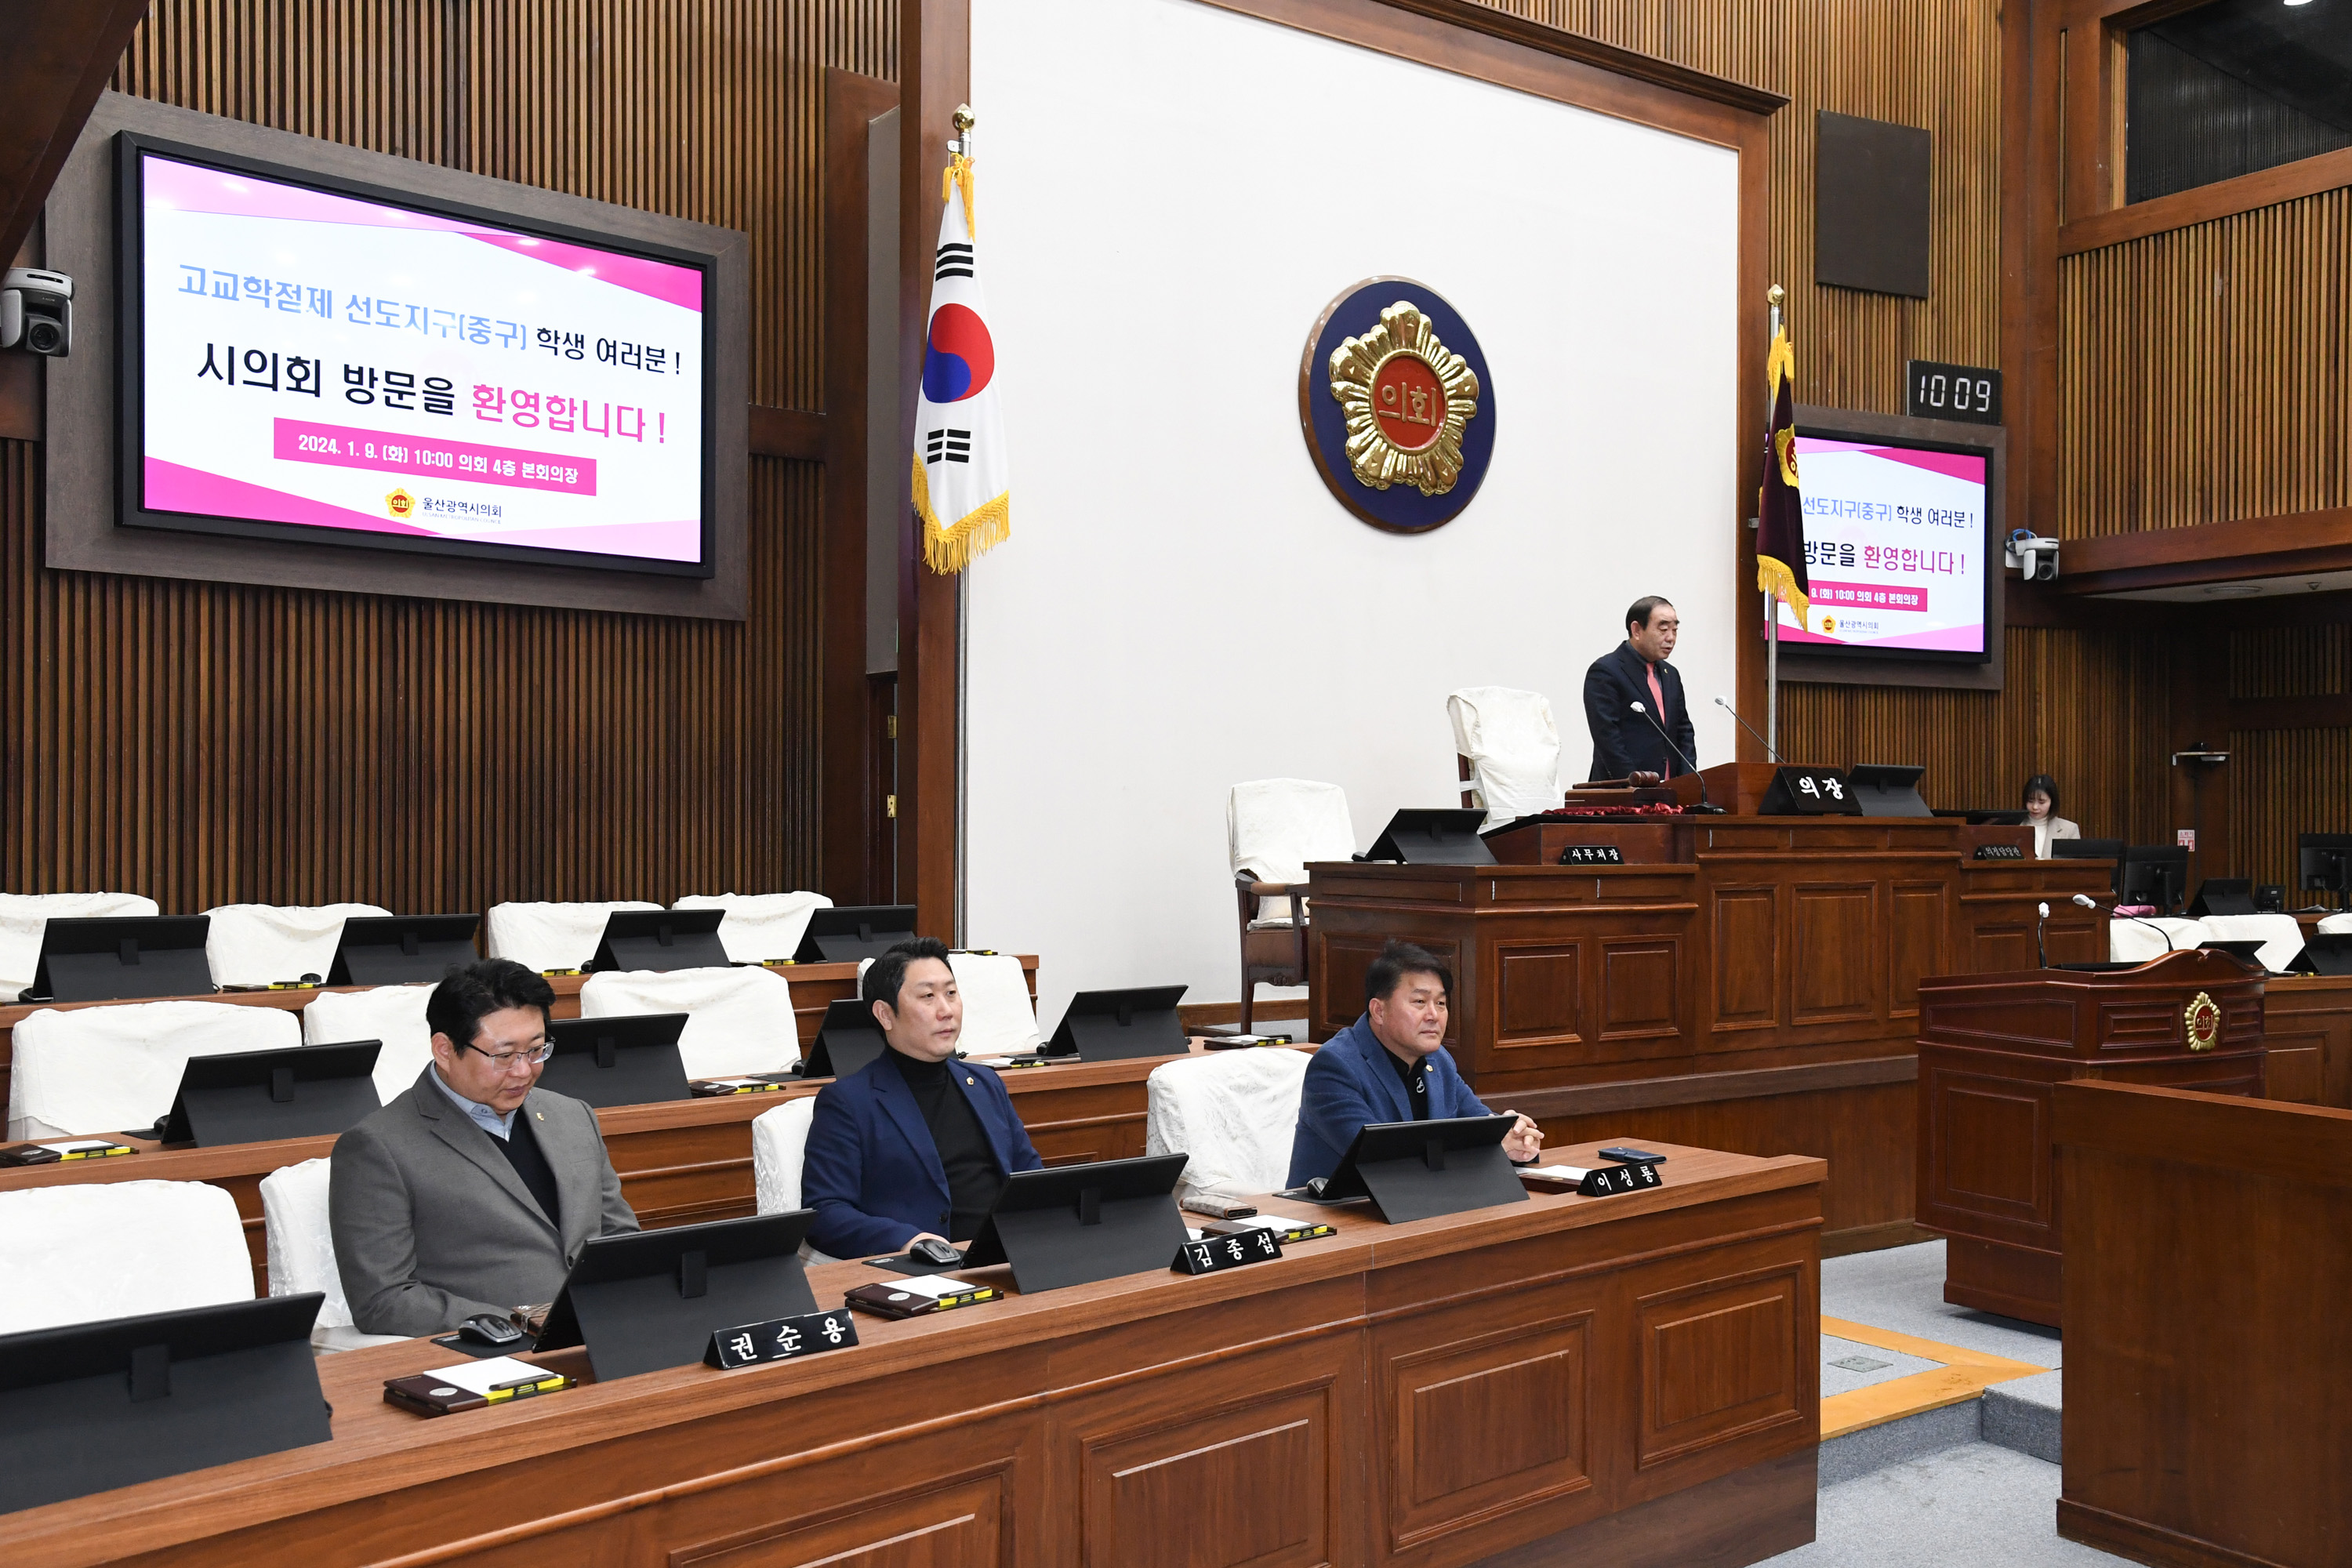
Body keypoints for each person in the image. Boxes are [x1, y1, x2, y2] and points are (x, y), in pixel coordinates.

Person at [328, 959, 638, 1338]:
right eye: (504, 1055)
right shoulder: (378, 1147)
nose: (524, 1071)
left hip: (606, 1331)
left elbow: (621, 1238)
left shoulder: (573, 1116)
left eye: (537, 1050)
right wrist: (516, 1322)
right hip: (490, 1355)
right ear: (444, 1049)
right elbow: (382, 1300)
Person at [801, 936, 1043, 1258]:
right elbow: (824, 1212)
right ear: (885, 1015)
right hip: (923, 1272)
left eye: (951, 993)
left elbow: (1031, 1178)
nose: (946, 1011)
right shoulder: (848, 1102)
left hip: (1008, 1256)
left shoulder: (986, 1084)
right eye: (928, 996)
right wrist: (907, 1241)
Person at [1288, 939, 1542, 1185]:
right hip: (1336, 1217)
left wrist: (1514, 1137)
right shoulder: (1335, 1066)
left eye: (1441, 1003)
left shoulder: (1438, 1060)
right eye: (1420, 1002)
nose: (1434, 1015)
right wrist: (1487, 1147)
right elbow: (1380, 1160)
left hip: (1418, 1206)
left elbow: (1479, 1123)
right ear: (1379, 1011)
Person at [1584, 595, 1695, 782]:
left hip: (1670, 793)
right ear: (1636, 630)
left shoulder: (1671, 674)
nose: (1671, 638)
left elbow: (1683, 731)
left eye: (1675, 630)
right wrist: (1636, 784)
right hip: (1624, 791)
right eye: (1663, 629)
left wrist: (1687, 781)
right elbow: (1607, 738)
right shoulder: (1606, 671)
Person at [2023, 773, 2080, 859]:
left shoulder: (2069, 829)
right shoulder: (2012, 826)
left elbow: (2074, 867)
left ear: (2052, 802)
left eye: (2041, 802)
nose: (2035, 807)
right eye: (2030, 801)